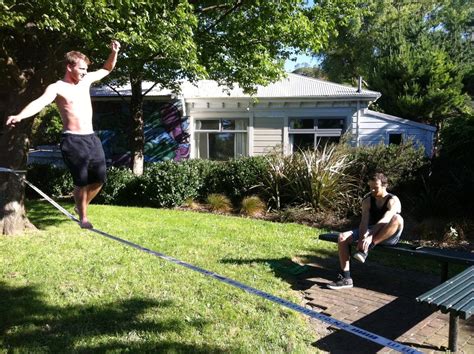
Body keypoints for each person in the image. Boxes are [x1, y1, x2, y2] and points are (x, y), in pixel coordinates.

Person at [6, 40, 121, 229]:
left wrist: (114, 53)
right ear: (69, 67)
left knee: (100, 178)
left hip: (91, 137)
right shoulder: (57, 87)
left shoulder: (86, 81)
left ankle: (80, 206)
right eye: (81, 69)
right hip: (73, 139)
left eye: (86, 69)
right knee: (81, 181)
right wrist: (19, 116)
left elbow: (106, 69)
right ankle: (83, 217)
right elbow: (39, 103)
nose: (84, 72)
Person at [327, 172, 404, 290]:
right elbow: (364, 222)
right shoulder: (368, 200)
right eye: (370, 187)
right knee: (342, 237)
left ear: (385, 186)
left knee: (397, 218)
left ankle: (367, 248)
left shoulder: (393, 200)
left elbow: (386, 219)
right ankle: (346, 278)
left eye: (376, 188)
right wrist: (363, 237)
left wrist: (370, 238)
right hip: (371, 231)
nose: (372, 190)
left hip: (388, 235)